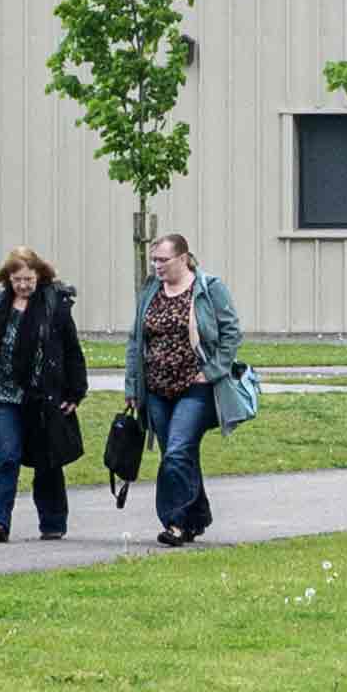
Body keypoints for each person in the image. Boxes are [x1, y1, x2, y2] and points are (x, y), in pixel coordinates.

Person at [130, 232, 257, 544]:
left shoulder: (209, 288)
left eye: (163, 260)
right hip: (157, 386)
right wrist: (133, 385)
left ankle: (173, 524)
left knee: (177, 450)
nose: (157, 266)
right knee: (177, 454)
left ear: (183, 258)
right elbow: (135, 340)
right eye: (154, 260)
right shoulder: (150, 290)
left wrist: (212, 371)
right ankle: (195, 518)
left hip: (196, 386)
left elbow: (231, 334)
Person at [0, 245, 85, 542]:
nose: (23, 285)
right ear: (8, 279)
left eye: (28, 279)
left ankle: (53, 522)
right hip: (2, 396)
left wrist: (74, 391)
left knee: (47, 461)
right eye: (17, 280)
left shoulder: (54, 306)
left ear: (39, 276)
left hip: (42, 396)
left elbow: (71, 351)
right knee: (6, 457)